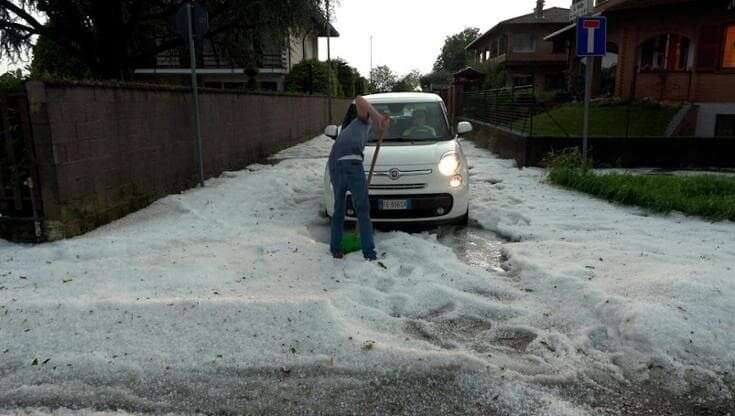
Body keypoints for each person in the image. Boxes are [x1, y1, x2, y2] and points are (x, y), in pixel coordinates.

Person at [327, 96, 390, 260]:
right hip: (343, 165)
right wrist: (377, 117)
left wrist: (381, 124)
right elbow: (360, 99)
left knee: (347, 210)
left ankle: (339, 250)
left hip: (341, 163)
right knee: (355, 211)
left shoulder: (366, 129)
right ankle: (367, 253)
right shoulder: (362, 120)